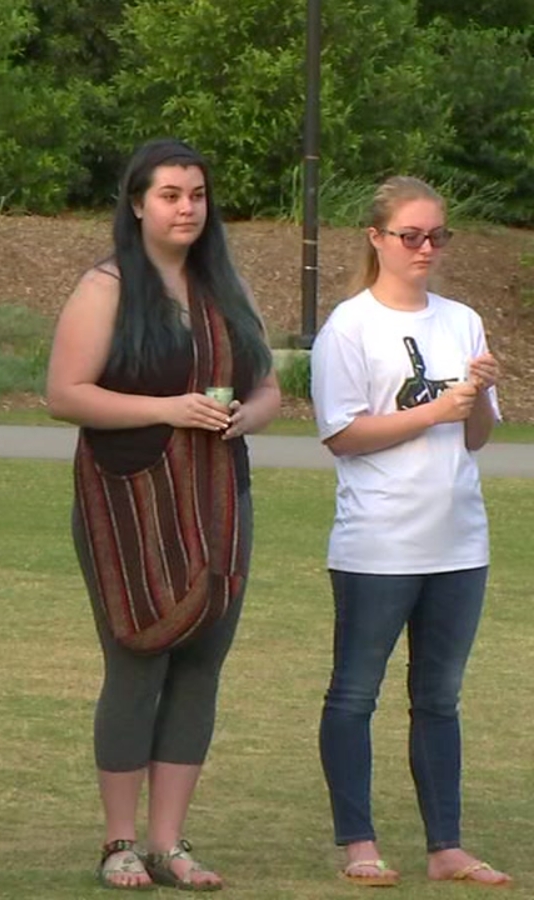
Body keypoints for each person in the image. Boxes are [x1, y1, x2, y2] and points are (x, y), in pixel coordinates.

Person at [45, 138, 278, 891]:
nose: (187, 207)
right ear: (138, 203)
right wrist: (168, 408)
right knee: (137, 659)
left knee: (201, 665)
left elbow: (270, 387)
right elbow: (66, 394)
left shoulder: (224, 288)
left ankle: (169, 843)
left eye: (197, 195)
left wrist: (248, 416)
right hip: (129, 503)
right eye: (171, 194)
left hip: (219, 499)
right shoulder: (107, 286)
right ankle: (118, 842)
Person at [310, 176, 511, 889]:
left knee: (439, 699)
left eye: (437, 236)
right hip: (378, 543)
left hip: (459, 541)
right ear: (376, 238)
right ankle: (358, 842)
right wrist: (434, 410)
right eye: (411, 236)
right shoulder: (350, 326)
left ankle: (446, 845)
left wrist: (480, 391)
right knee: (355, 694)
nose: (426, 249)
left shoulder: (461, 320)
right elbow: (341, 434)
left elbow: (478, 436)